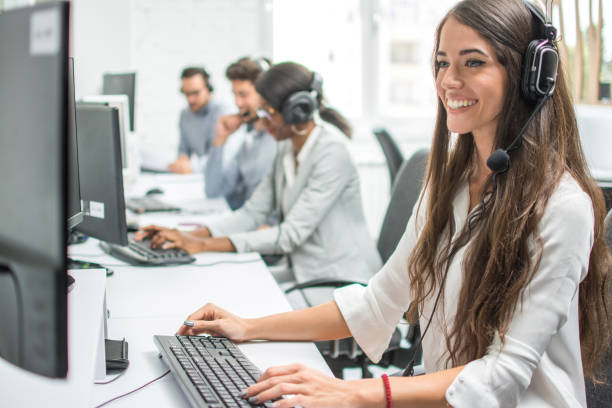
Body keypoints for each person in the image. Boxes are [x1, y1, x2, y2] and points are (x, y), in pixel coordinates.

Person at [173, 1, 611, 407]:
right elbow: (379, 302)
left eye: (472, 62)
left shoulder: (561, 206)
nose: (448, 80)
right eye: (442, 63)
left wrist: (356, 392)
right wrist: (248, 328)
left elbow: (505, 371)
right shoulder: (450, 185)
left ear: (530, 75)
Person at [137, 62, 381, 287]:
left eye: (267, 112)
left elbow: (289, 235)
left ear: (296, 111)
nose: (261, 120)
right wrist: (186, 235)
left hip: (342, 281)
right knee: (225, 288)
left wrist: (200, 245)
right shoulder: (286, 146)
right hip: (304, 271)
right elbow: (253, 213)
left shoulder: (332, 151)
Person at [205, 57, 277, 210]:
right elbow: (214, 191)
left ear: (265, 94)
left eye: (243, 95)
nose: (238, 103)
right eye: (235, 95)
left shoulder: (277, 139)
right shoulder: (250, 140)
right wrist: (219, 139)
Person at [168, 66, 227, 174]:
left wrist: (193, 167)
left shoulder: (223, 112)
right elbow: (183, 149)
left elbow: (221, 156)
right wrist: (182, 160)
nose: (190, 99)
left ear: (208, 88)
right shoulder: (185, 115)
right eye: (186, 94)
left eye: (195, 93)